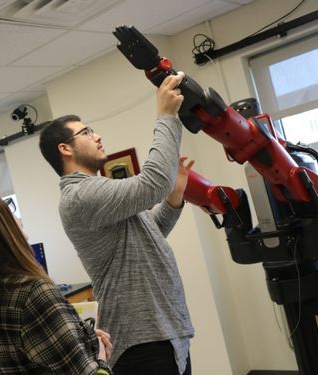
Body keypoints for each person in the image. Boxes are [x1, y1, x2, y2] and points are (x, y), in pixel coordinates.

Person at [39, 72, 195, 375]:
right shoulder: (80, 195)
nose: (97, 136)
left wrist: (174, 197)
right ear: (65, 149)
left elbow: (151, 233)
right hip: (142, 343)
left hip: (164, 334)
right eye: (86, 132)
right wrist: (165, 116)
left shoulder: (99, 191)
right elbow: (154, 182)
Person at [0, 186, 112, 374]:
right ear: (1, 230)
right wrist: (99, 355)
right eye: (7, 214)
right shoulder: (32, 294)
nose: (17, 219)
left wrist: (79, 342)